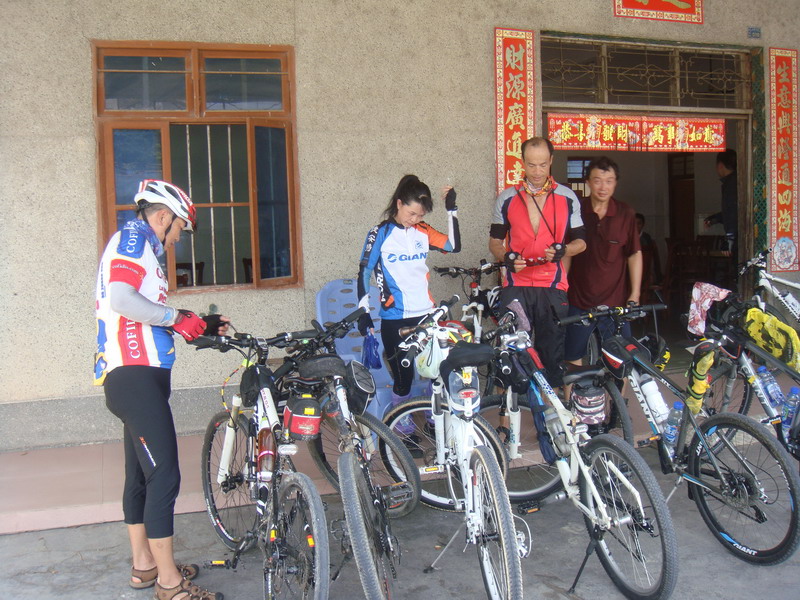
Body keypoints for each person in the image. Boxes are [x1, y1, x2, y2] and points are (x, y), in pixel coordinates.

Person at [95, 179, 228, 600]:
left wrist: (197, 323)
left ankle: (145, 565)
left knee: (139, 475)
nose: (177, 240)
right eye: (179, 229)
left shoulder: (140, 248)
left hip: (137, 376)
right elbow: (122, 300)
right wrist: (175, 318)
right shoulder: (134, 239)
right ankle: (169, 584)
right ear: (163, 217)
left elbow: (148, 314)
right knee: (164, 475)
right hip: (135, 377)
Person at [357, 174, 460, 415]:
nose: (414, 220)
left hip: (427, 316)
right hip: (395, 318)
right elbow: (364, 272)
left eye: (420, 216)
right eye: (411, 213)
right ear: (399, 203)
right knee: (403, 378)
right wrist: (364, 312)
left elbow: (453, 246)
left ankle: (434, 419)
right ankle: (401, 421)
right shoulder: (380, 233)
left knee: (435, 373)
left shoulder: (422, 231)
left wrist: (451, 210)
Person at [488, 137, 586, 388]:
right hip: (516, 286)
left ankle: (548, 412)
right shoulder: (507, 198)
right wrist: (506, 257)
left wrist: (564, 250)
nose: (537, 171)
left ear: (551, 160)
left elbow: (582, 242)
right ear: (522, 162)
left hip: (552, 286)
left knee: (551, 356)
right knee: (509, 353)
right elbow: (495, 242)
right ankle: (506, 413)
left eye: (543, 164)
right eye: (531, 165)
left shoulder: (567, 197)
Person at [564, 156, 642, 363]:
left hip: (615, 302)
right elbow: (567, 252)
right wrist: (561, 288)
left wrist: (635, 294)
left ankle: (619, 388)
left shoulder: (625, 214)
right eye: (597, 181)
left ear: (615, 183)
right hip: (579, 300)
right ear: (588, 182)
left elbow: (634, 254)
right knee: (573, 356)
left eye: (609, 181)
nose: (603, 187)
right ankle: (576, 387)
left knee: (621, 359)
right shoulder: (576, 212)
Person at [704, 148, 738, 259]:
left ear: (720, 165)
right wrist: (714, 219)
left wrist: (730, 238)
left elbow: (733, 211)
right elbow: (729, 212)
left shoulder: (731, 184)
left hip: (738, 238)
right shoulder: (735, 181)